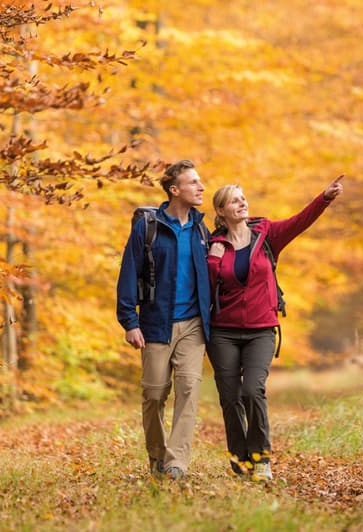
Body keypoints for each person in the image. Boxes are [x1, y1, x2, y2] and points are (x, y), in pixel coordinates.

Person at [207, 175, 344, 481]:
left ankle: (261, 459)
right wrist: (214, 261)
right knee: (230, 398)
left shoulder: (266, 234)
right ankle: (240, 461)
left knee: (252, 390)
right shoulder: (213, 246)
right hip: (223, 332)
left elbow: (299, 221)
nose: (242, 203)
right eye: (234, 200)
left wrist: (324, 198)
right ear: (221, 210)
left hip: (261, 329)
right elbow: (204, 289)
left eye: (243, 198)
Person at [116, 159, 211, 481]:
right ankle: (157, 456)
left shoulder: (202, 229)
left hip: (193, 325)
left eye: (200, 182)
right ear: (174, 189)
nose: (201, 188)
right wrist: (130, 321)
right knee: (155, 394)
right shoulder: (149, 227)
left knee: (189, 389)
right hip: (156, 323)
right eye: (193, 182)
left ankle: (176, 463)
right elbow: (129, 273)